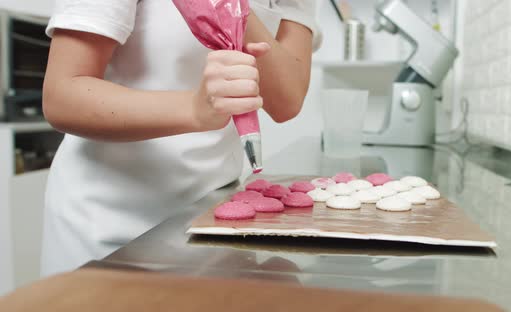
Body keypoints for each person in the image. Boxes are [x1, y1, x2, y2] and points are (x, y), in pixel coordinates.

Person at [41, 0, 322, 276]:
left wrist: (233, 8)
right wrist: (194, 109)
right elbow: (62, 96)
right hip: (108, 222)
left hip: (213, 219)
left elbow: (286, 101)